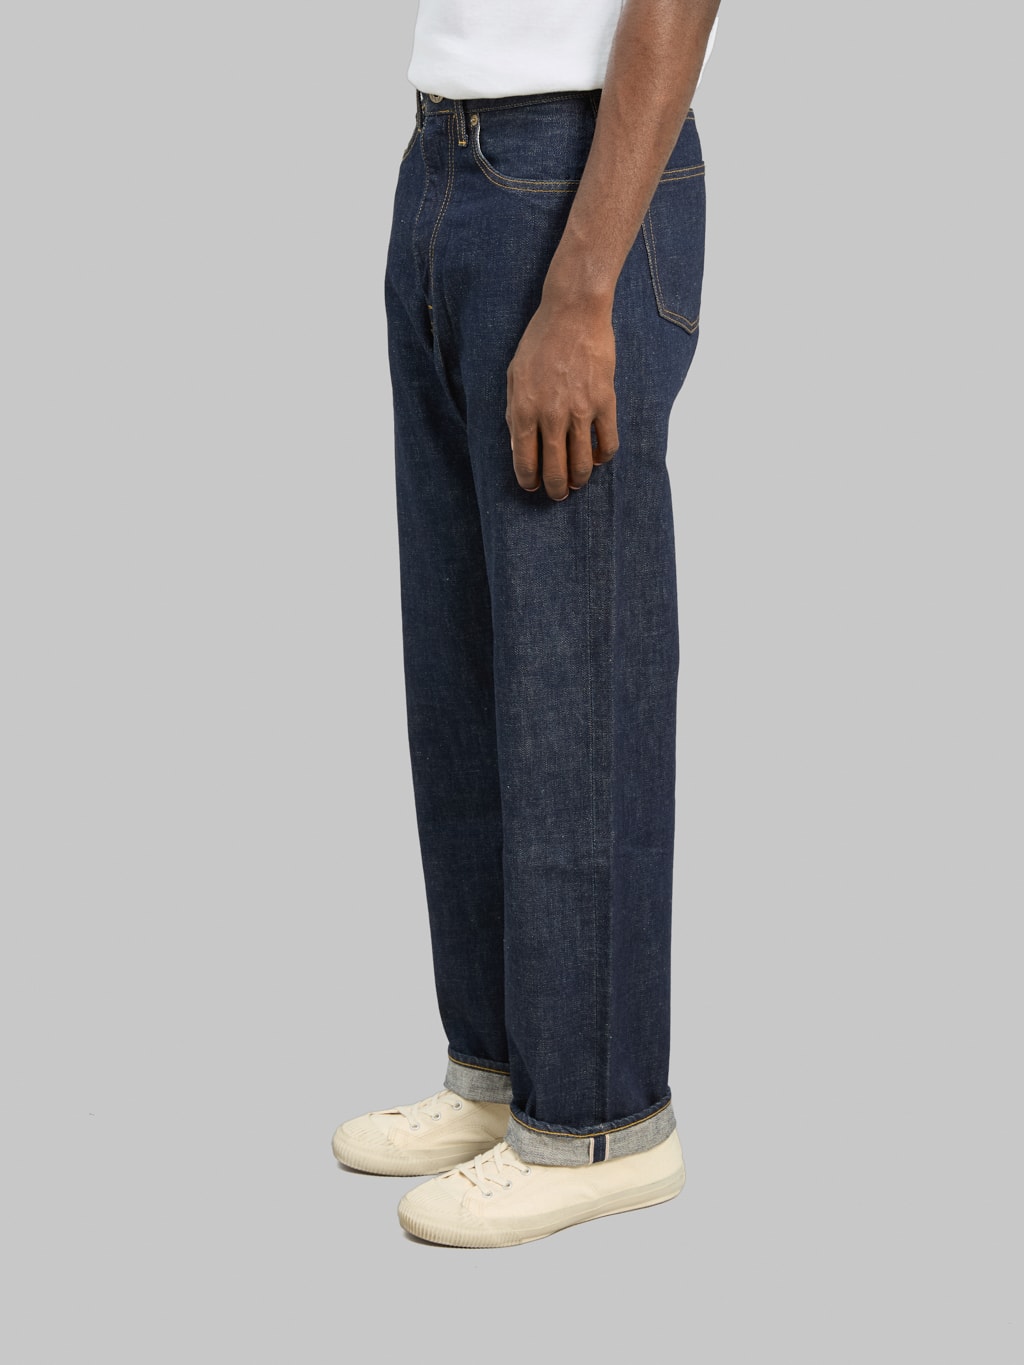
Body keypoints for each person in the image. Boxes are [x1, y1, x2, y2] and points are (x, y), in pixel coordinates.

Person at [333, 0, 722, 1247]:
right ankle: (501, 1076)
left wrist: (585, 285)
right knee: (459, 673)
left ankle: (599, 1123)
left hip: (574, 172)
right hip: (443, 154)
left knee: (572, 675)